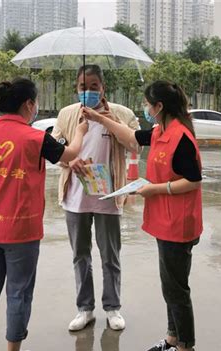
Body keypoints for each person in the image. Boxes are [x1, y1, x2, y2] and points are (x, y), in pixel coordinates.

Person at [0, 78, 88, 351]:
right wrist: (80, 129)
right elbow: (71, 153)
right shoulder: (36, 138)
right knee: (19, 292)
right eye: (36, 103)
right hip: (22, 232)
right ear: (28, 104)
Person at [81, 80, 202, 351]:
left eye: (148, 105)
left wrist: (154, 189)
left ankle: (186, 349)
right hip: (165, 221)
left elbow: (193, 181)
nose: (145, 109)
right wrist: (99, 118)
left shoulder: (181, 137)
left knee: (177, 291)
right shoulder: (162, 131)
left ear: (159, 107)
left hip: (179, 224)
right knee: (169, 286)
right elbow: (132, 137)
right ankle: (172, 339)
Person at [51, 64, 140, 331]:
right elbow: (53, 150)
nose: (87, 92)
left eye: (93, 87)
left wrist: (103, 119)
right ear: (76, 88)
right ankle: (85, 309)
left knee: (110, 255)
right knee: (81, 255)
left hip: (108, 198)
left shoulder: (121, 114)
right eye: (82, 87)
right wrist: (70, 161)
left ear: (103, 88)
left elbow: (135, 144)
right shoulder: (67, 114)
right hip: (75, 198)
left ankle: (112, 307)